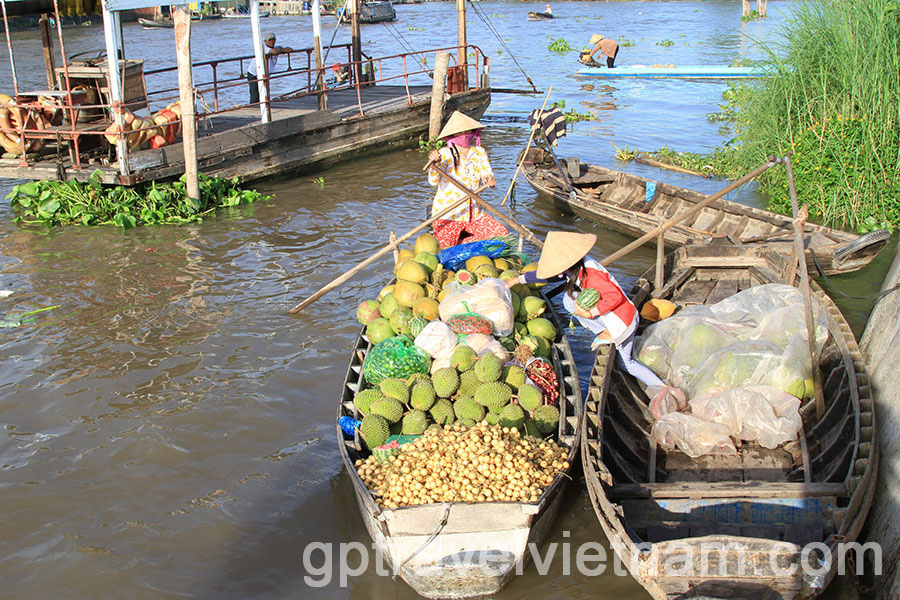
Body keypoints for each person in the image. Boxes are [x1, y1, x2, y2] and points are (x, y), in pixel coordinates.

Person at [507, 231, 664, 388]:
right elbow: (549, 277)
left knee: (627, 364)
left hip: (623, 321)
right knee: (568, 299)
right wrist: (518, 279)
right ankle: (604, 331)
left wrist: (590, 313)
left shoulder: (591, 275)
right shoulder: (576, 266)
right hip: (621, 316)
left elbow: (615, 296)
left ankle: (662, 388)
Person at [426, 111, 508, 248]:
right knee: (445, 248)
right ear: (452, 136)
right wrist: (434, 164)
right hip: (449, 214)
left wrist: (490, 180)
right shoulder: (444, 154)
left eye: (468, 131)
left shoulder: (479, 152)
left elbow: (486, 174)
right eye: (460, 133)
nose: (464, 135)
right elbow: (433, 181)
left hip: (474, 213)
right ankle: (459, 245)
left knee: (501, 234)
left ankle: (462, 244)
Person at [246, 32, 294, 105]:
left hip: (264, 73)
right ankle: (252, 108)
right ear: (265, 41)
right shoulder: (263, 48)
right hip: (254, 73)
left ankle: (263, 106)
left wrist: (280, 48)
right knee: (255, 94)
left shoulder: (276, 47)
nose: (272, 42)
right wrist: (280, 49)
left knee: (264, 92)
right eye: (270, 40)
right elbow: (274, 51)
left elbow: (290, 49)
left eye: (273, 40)